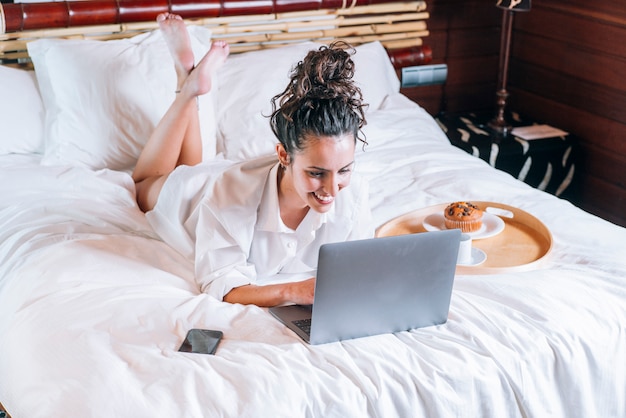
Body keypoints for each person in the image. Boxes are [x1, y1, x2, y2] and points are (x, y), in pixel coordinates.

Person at [132, 13, 374, 307]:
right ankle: (187, 91)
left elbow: (361, 270)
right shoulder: (229, 196)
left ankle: (189, 81)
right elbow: (220, 284)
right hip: (195, 195)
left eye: (344, 170)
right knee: (144, 183)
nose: (333, 188)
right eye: (317, 173)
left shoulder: (356, 195)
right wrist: (294, 291)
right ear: (284, 155)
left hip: (229, 176)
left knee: (193, 163)